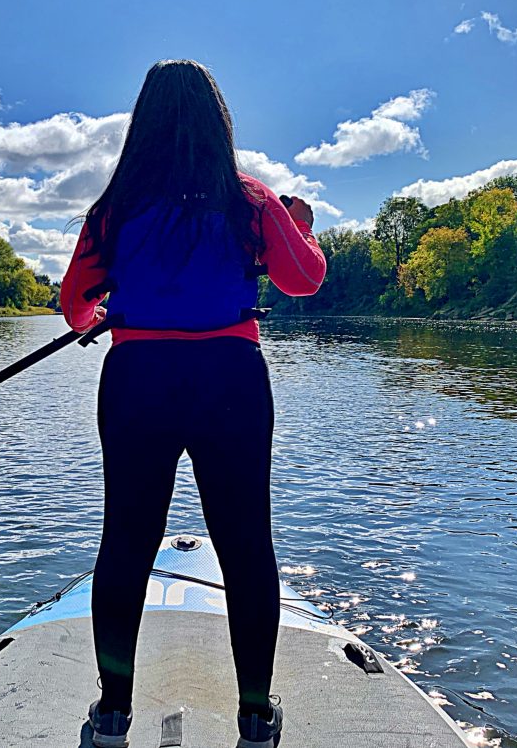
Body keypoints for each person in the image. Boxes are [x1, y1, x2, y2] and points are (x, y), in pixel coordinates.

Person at [60, 59, 326, 748]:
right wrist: (302, 227)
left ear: (141, 123)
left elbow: (74, 309)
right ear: (218, 123)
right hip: (229, 378)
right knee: (245, 547)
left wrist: (106, 309)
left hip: (137, 377)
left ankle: (112, 716)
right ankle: (256, 717)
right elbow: (304, 281)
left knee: (125, 540)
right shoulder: (252, 203)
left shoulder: (113, 210)